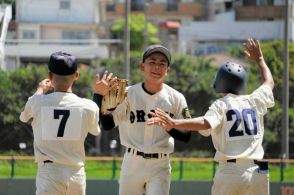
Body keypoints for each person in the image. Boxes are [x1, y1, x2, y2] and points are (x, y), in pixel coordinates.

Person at [147, 38, 275, 195]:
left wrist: (174, 122)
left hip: (231, 172)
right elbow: (269, 82)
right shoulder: (256, 100)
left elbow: (205, 123)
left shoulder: (221, 104)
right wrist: (260, 60)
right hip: (258, 172)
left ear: (220, 81)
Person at [93, 44, 191, 195]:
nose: (157, 67)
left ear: (168, 70)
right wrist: (99, 96)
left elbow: (187, 136)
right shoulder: (127, 94)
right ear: (142, 66)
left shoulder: (176, 98)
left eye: (162, 64)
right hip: (132, 162)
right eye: (152, 62)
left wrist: (170, 126)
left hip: (160, 163)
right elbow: (107, 125)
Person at [19, 51, 101, 195]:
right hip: (76, 173)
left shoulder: (37, 102)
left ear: (50, 76)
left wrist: (39, 90)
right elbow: (95, 131)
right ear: (76, 76)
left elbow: (24, 117)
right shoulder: (88, 106)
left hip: (49, 172)